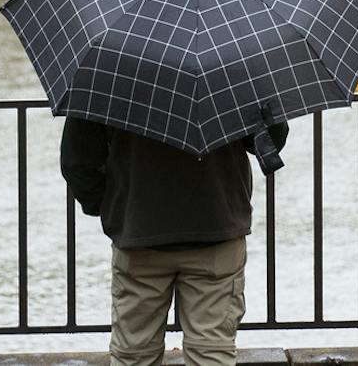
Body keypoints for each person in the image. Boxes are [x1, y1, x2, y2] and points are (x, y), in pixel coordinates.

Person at [60, 115, 289, 366]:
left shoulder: (105, 78)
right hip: (217, 226)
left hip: (139, 232)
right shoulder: (236, 77)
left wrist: (110, 206)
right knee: (211, 354)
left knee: (134, 356)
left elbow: (77, 161)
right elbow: (271, 141)